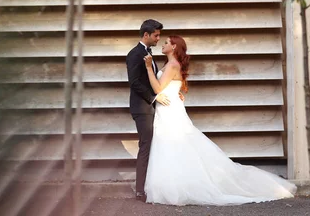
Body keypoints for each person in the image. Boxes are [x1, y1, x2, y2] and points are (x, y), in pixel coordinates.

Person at [142, 35, 297, 206]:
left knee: (175, 143)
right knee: (172, 145)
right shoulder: (169, 64)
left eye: (166, 43)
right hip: (167, 107)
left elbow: (157, 88)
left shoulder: (172, 65)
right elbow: (170, 87)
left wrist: (149, 68)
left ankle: (180, 186)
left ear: (174, 47)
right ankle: (174, 185)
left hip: (170, 110)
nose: (163, 45)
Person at [125, 19, 171, 202]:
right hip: (142, 108)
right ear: (146, 35)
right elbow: (134, 82)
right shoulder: (134, 54)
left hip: (150, 107)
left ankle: (148, 187)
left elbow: (154, 82)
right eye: (156, 35)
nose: (158, 38)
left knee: (151, 146)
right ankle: (139, 191)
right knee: (145, 146)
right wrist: (154, 98)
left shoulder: (148, 53)